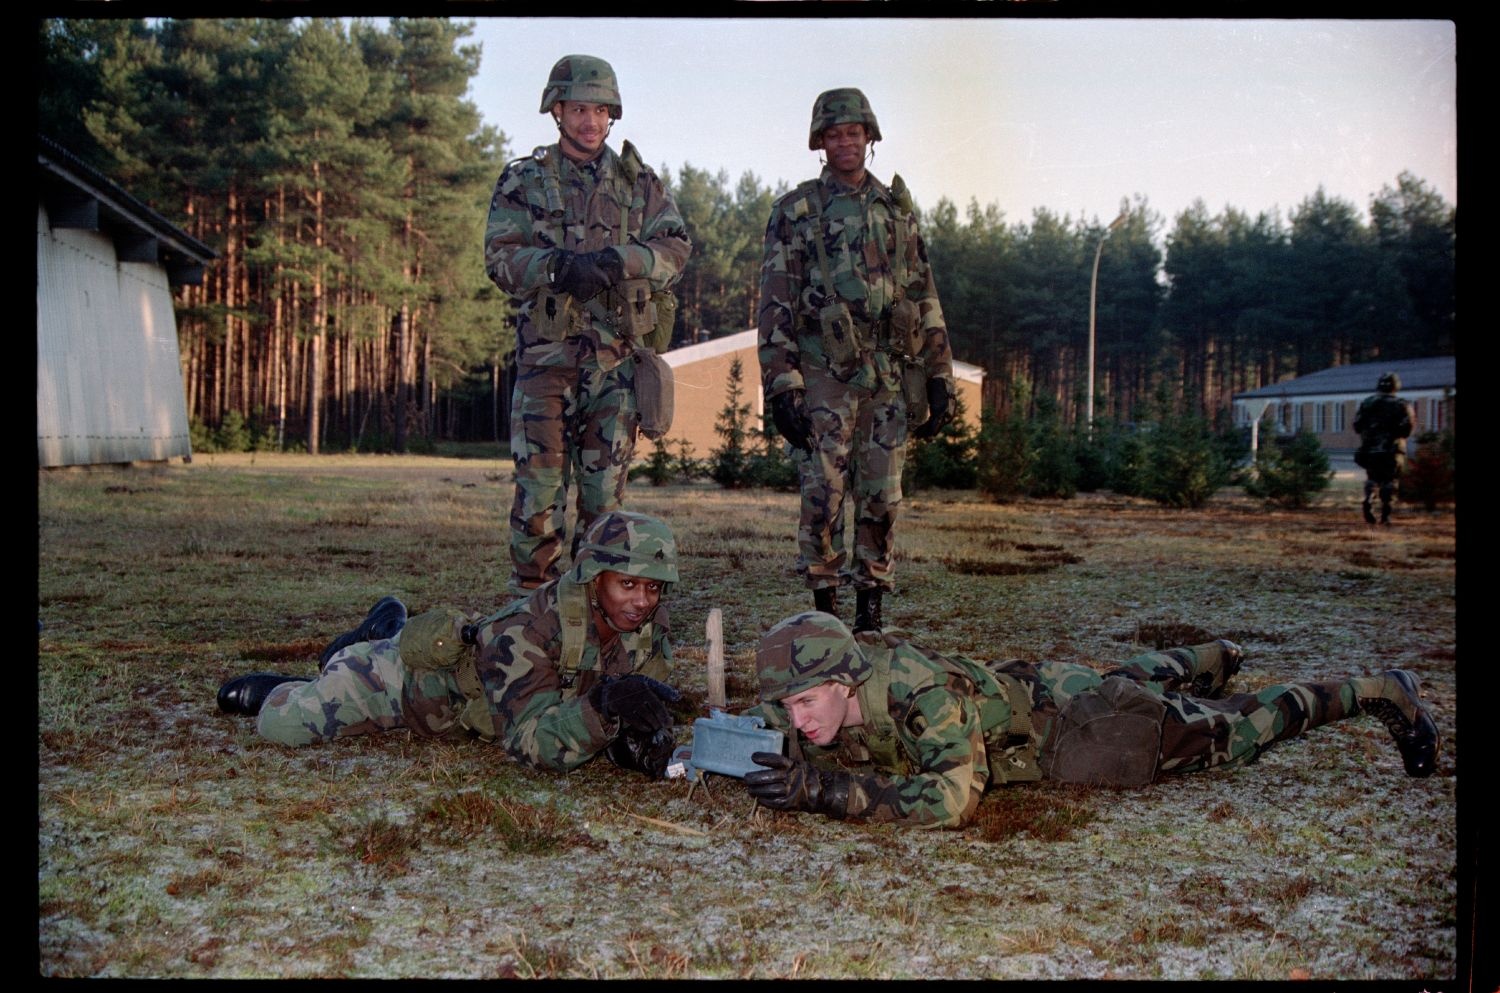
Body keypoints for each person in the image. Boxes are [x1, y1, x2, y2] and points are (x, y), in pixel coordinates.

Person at [740, 612, 1441, 828]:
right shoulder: (812, 691)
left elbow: (954, 798)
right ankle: (1206, 654)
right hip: (1048, 687)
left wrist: (824, 791)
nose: (797, 720)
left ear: (844, 681)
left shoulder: (918, 694)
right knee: (1123, 679)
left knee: (1235, 732)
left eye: (807, 704)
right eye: (790, 706)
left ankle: (1379, 688)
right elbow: (760, 716)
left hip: (1082, 727)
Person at [215, 511, 683, 779]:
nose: (643, 602)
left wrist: (636, 740)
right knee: (282, 727)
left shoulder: (646, 628)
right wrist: (603, 707)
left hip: (492, 706)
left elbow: (634, 709)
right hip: (402, 689)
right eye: (628, 585)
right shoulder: (527, 630)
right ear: (592, 577)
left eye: (654, 588)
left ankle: (377, 635)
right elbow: (527, 746)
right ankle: (351, 655)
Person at [484, 55, 692, 595]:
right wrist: (556, 266)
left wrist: (619, 261)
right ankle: (533, 619)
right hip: (545, 364)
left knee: (606, 507)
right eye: (579, 109)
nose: (590, 122)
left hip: (614, 368)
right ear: (557, 111)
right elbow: (499, 257)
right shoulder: (523, 180)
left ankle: (597, 619)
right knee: (538, 501)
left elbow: (675, 248)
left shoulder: (638, 183)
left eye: (601, 110)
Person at [757, 88, 955, 634]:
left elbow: (924, 292)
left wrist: (939, 374)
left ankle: (870, 616)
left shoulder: (897, 211)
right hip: (824, 370)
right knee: (823, 494)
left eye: (854, 132)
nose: (846, 143)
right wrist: (783, 385)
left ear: (869, 137)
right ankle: (826, 616)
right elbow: (775, 300)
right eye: (834, 134)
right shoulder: (796, 211)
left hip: (890, 371)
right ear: (820, 142)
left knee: (883, 496)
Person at [1353, 371, 1415, 525]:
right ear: (1396, 386)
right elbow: (1407, 429)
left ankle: (1368, 499)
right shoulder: (1402, 404)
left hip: (1371, 449)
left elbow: (1357, 426)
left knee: (1372, 478)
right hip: (1392, 449)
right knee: (1390, 481)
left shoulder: (1367, 403)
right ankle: (1385, 515)